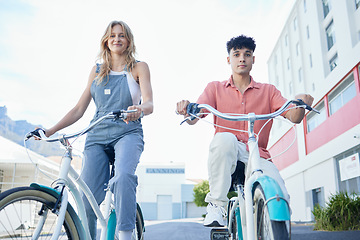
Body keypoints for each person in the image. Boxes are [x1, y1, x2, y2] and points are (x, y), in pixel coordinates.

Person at [176, 35, 313, 227]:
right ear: (228, 59)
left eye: (247, 54)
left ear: (253, 59)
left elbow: (294, 116)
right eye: (237, 54)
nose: (242, 58)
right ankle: (216, 205)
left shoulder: (268, 91)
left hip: (258, 155)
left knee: (279, 194)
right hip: (227, 152)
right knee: (224, 139)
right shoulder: (215, 88)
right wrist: (187, 108)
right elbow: (196, 115)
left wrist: (301, 101)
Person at [42, 20, 153, 240]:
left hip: (127, 133)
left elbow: (150, 103)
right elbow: (79, 109)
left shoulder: (139, 67)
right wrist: (50, 131)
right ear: (106, 40)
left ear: (128, 40)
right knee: (86, 196)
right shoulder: (97, 70)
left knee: (122, 177)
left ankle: (125, 235)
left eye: (121, 35)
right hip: (97, 135)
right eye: (112, 35)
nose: (117, 39)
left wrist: (139, 109)